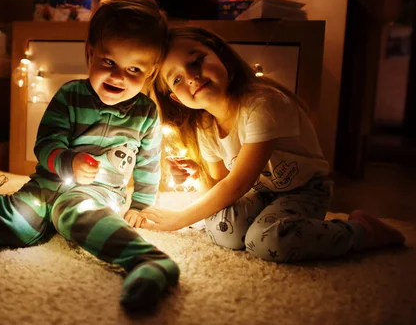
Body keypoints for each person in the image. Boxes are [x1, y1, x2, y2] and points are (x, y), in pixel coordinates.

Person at [0, 0, 179, 311]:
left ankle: (148, 260)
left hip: (97, 193)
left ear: (149, 73)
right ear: (91, 52)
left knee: (78, 210)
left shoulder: (146, 113)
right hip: (49, 184)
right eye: (109, 62)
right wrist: (69, 161)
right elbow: (45, 145)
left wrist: (142, 205)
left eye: (134, 70)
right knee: (15, 228)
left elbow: (148, 163)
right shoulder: (70, 95)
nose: (118, 76)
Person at [140, 26, 405, 263]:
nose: (191, 76)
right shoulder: (205, 125)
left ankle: (362, 231)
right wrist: (198, 176)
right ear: (175, 98)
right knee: (224, 230)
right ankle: (271, 221)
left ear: (221, 55)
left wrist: (178, 220)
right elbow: (223, 185)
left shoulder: (262, 103)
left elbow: (238, 185)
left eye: (197, 60)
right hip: (262, 192)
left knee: (268, 241)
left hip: (305, 189)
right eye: (176, 78)